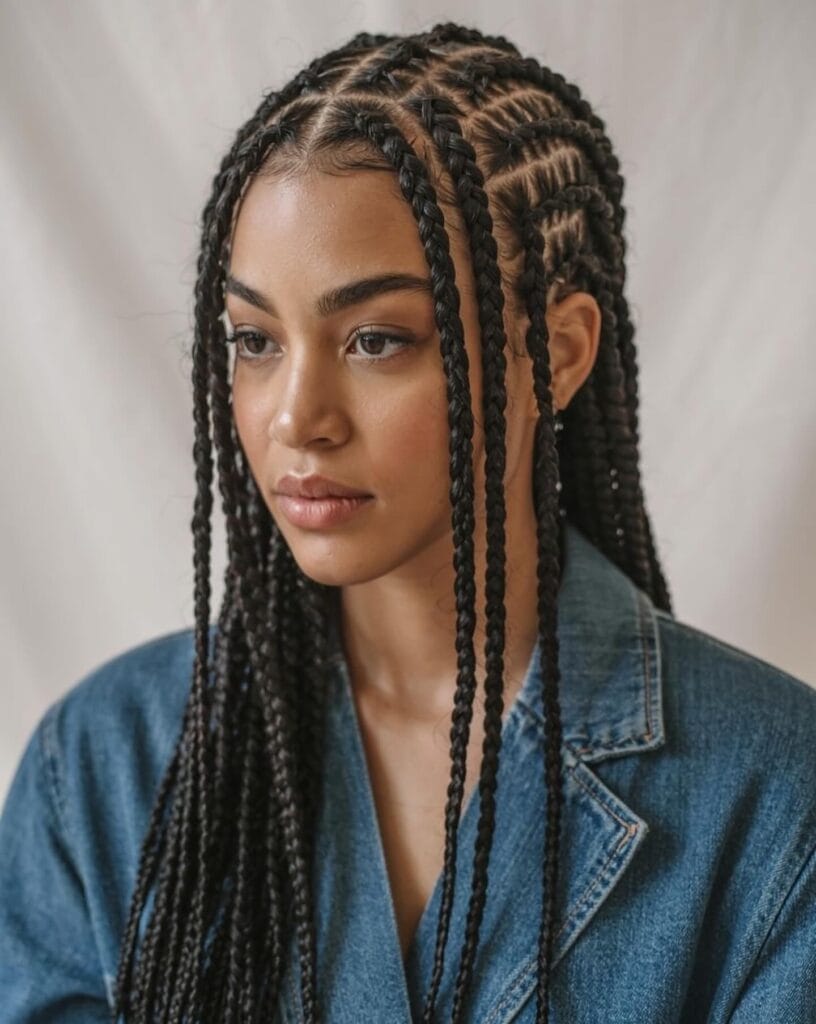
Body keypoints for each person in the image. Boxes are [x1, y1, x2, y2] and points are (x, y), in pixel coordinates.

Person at [1, 21, 814, 1024]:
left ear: (557, 353)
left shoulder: (775, 796)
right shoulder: (101, 769)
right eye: (254, 340)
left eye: (377, 339)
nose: (298, 417)